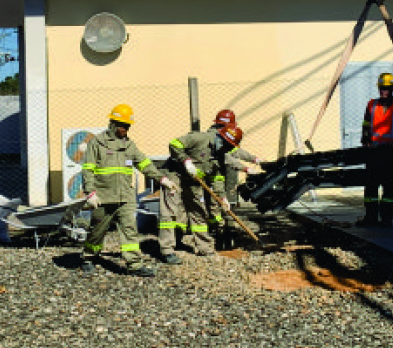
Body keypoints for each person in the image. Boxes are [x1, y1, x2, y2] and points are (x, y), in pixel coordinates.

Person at [79, 104, 174, 276]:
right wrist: (90, 192)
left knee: (130, 230)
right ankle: (89, 257)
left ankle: (134, 264)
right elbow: (88, 169)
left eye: (128, 126)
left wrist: (162, 179)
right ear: (113, 124)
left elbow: (144, 164)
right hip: (103, 197)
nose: (126, 129)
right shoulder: (97, 143)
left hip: (125, 197)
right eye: (123, 125)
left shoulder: (129, 145)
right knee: (97, 231)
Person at [160, 122, 239, 259]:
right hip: (174, 174)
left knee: (198, 210)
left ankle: (204, 247)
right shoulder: (200, 138)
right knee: (170, 211)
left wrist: (222, 198)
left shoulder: (219, 154)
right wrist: (186, 161)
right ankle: (167, 250)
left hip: (193, 179)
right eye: (228, 146)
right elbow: (174, 144)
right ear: (221, 139)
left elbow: (215, 178)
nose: (228, 150)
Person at [359, 72, 393, 226]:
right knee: (371, 186)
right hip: (373, 152)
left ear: (392, 89)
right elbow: (366, 125)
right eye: (382, 88)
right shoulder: (371, 105)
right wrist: (366, 138)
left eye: (387, 88)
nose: (384, 91)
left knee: (388, 187)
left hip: (390, 153)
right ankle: (371, 217)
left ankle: (386, 218)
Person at [210, 109, 264, 248]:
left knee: (230, 204)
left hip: (229, 175)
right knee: (216, 205)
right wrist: (245, 168)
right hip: (217, 174)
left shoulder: (226, 135)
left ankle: (229, 233)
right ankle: (219, 234)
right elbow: (226, 157)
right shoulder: (214, 137)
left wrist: (254, 159)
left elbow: (236, 151)